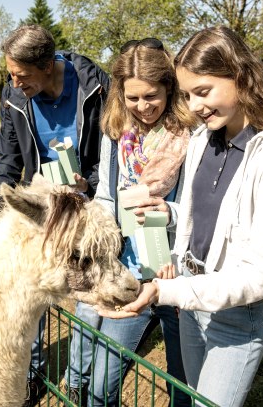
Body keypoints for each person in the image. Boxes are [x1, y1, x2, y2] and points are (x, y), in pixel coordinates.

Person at [98, 26, 263, 407]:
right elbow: (207, 216)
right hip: (192, 303)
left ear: (240, 77)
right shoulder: (202, 139)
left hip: (235, 317)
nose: (193, 106)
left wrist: (163, 291)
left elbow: (258, 277)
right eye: (188, 95)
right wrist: (169, 213)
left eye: (203, 92)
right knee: (190, 398)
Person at [0, 24, 110, 407]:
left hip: (86, 199)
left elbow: (112, 153)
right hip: (41, 203)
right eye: (10, 75)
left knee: (84, 284)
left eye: (21, 75)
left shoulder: (94, 87)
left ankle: (78, 378)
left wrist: (92, 184)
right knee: (29, 284)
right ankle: (30, 376)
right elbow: (8, 161)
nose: (14, 83)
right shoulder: (14, 94)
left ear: (47, 65)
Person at [60, 37, 197, 407]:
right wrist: (95, 233)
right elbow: (107, 194)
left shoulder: (190, 135)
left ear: (169, 87)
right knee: (103, 383)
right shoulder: (117, 130)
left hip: (175, 269)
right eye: (133, 98)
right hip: (131, 268)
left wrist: (168, 217)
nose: (143, 107)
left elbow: (196, 207)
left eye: (151, 96)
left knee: (182, 379)